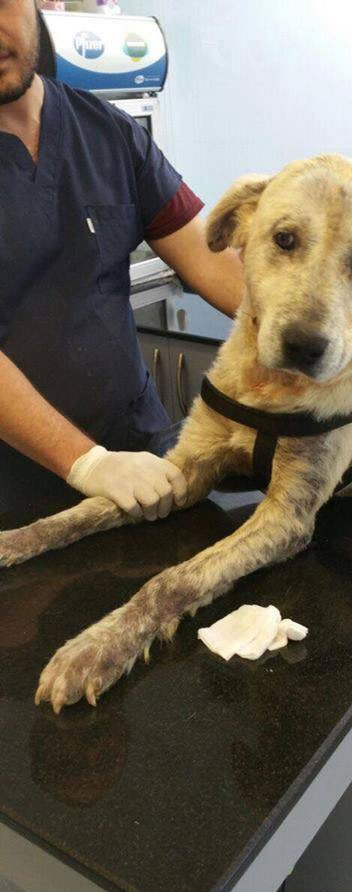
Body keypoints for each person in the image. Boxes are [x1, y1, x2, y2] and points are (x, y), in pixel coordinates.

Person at [0, 0, 244, 519]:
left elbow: (211, 259)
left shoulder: (107, 131)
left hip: (143, 455)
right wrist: (87, 463)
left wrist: (330, 334)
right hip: (18, 497)